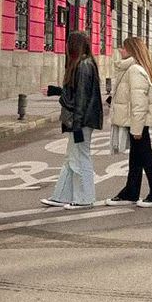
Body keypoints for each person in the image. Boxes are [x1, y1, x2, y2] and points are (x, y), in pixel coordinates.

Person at [41, 30, 103, 210]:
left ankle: (85, 198)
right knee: (71, 158)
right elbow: (77, 92)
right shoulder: (84, 63)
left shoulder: (83, 65)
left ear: (73, 45)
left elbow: (82, 98)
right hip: (80, 120)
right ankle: (61, 196)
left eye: (68, 43)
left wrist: (76, 125)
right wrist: (56, 91)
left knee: (80, 158)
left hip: (81, 122)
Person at [105, 36, 152, 207]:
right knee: (137, 157)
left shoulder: (134, 70)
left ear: (131, 50)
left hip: (138, 122)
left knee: (146, 156)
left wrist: (137, 128)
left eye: (124, 48)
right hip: (135, 121)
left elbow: (140, 102)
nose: (120, 50)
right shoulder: (131, 69)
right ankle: (131, 192)